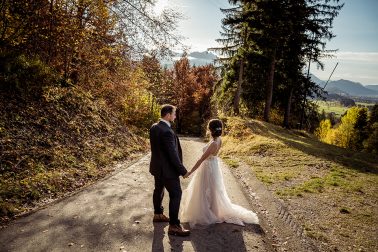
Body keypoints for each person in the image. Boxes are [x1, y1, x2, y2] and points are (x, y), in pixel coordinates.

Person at [180, 119, 259, 228]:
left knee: (205, 189)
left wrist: (190, 172)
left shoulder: (213, 143)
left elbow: (201, 159)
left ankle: (208, 213)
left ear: (210, 129)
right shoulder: (219, 140)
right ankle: (213, 210)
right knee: (213, 189)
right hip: (214, 166)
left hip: (208, 168)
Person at [149, 104, 190, 236]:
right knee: (176, 194)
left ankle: (158, 214)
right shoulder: (167, 131)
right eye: (174, 113)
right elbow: (173, 154)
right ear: (168, 115)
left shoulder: (154, 127)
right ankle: (174, 226)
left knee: (159, 190)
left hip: (157, 168)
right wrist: (183, 171)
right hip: (168, 171)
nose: (175, 116)